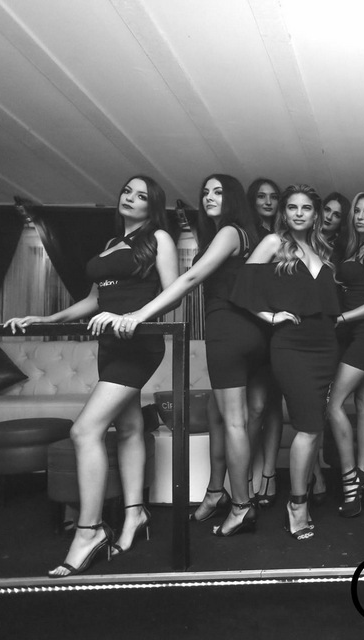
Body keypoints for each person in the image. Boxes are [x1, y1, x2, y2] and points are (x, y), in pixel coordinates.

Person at [6, 175, 178, 576]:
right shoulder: (112, 243)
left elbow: (172, 293)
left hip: (138, 344)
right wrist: (46, 319)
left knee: (84, 431)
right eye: (127, 191)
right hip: (110, 345)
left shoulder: (159, 239)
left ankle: (89, 530)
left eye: (141, 196)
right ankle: (135, 514)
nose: (130, 198)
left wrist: (131, 316)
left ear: (153, 206)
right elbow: (95, 299)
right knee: (130, 429)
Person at [114, 174, 264, 537]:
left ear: (233, 199)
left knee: (234, 421)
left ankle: (242, 507)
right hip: (249, 331)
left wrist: (141, 313)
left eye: (219, 192)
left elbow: (191, 279)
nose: (209, 197)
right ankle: (216, 493)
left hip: (228, 329)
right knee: (218, 412)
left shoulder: (229, 232)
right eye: (206, 192)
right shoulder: (239, 235)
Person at [231, 184, 340, 541]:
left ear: (315, 214)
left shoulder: (322, 249)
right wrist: (270, 316)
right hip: (291, 346)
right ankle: (297, 505)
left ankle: (299, 498)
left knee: (314, 427)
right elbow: (241, 288)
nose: (298, 213)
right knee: (308, 427)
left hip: (325, 346)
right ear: (284, 212)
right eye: (292, 207)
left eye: (306, 208)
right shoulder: (274, 243)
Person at [327, 191, 364, 517]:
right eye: (358, 212)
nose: (361, 217)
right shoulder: (355, 249)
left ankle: (350, 480)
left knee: (334, 403)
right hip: (353, 334)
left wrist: (341, 318)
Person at [245, 178, 284, 507]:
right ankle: (243, 478)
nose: (268, 202)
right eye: (261, 196)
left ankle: (269, 476)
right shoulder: (248, 235)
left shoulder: (287, 237)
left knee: (274, 406)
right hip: (256, 326)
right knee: (256, 407)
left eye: (273, 197)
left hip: (283, 331)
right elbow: (243, 285)